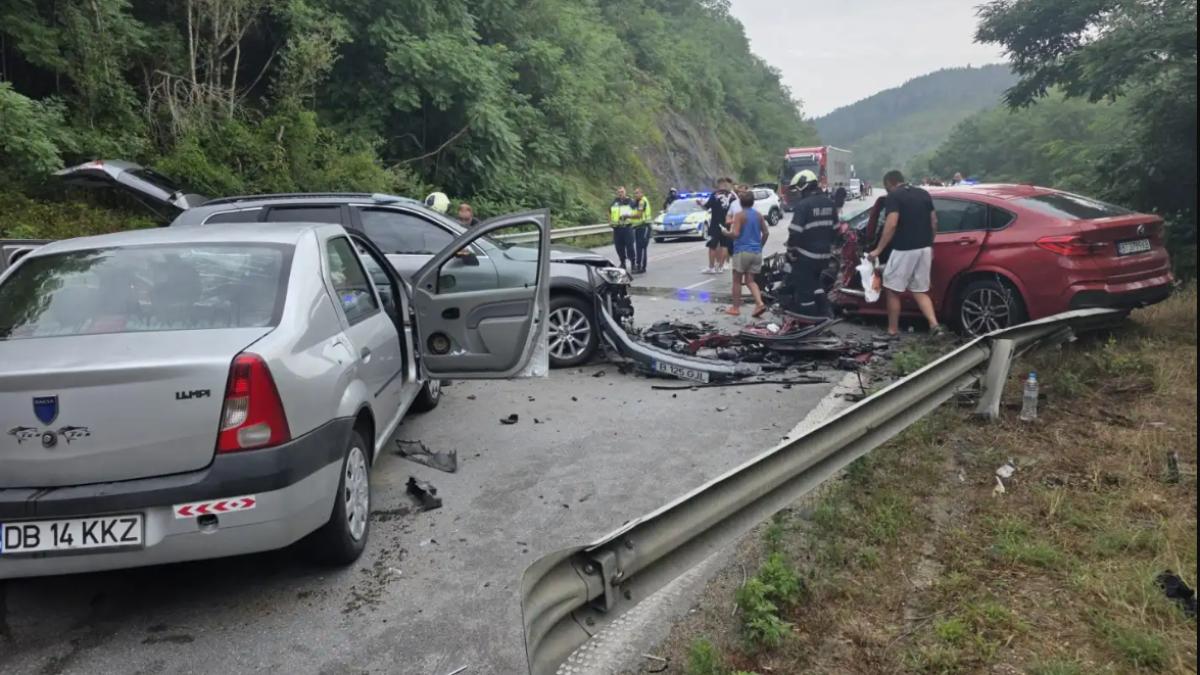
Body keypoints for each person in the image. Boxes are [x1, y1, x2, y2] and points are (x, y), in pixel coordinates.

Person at [868, 170, 944, 338]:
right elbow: (934, 221)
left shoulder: (894, 196)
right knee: (920, 290)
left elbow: (892, 224)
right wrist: (929, 243)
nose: (887, 191)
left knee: (892, 289)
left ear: (890, 183)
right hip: (924, 248)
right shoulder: (923, 193)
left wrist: (878, 250)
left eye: (887, 188)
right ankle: (934, 325)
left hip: (904, 249)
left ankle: (892, 331)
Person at [783, 169, 837, 322]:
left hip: (806, 256)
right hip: (824, 256)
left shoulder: (803, 205)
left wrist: (791, 250)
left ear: (804, 186)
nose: (797, 193)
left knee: (804, 290)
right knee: (816, 284)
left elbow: (795, 232)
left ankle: (808, 320)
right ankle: (826, 313)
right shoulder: (829, 203)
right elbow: (836, 230)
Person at [720, 189, 769, 317]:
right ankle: (759, 303)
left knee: (737, 280)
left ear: (740, 203)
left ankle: (735, 308)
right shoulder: (758, 215)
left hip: (742, 251)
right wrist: (760, 246)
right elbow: (766, 232)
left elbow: (735, 234)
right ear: (753, 203)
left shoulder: (739, 215)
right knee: (750, 280)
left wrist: (726, 233)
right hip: (756, 252)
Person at [699, 178, 737, 274]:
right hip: (727, 223)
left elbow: (706, 206)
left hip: (715, 223)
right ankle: (721, 267)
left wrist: (700, 204)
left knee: (712, 245)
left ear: (720, 184)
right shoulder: (732, 196)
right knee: (724, 245)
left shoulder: (715, 194)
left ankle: (711, 267)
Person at [609, 186, 636, 271]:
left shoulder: (630, 201)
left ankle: (633, 263)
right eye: (619, 192)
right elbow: (609, 211)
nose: (620, 193)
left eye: (622, 192)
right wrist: (610, 221)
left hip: (627, 228)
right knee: (619, 247)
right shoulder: (615, 202)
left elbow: (635, 213)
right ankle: (622, 263)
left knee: (630, 247)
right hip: (617, 228)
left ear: (625, 192)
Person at [630, 187, 653, 274]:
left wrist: (627, 216)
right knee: (638, 248)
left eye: (637, 193)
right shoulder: (638, 202)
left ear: (641, 193)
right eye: (635, 193)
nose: (636, 195)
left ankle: (642, 267)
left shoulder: (642, 202)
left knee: (642, 248)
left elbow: (639, 215)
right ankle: (639, 265)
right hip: (638, 227)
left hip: (644, 227)